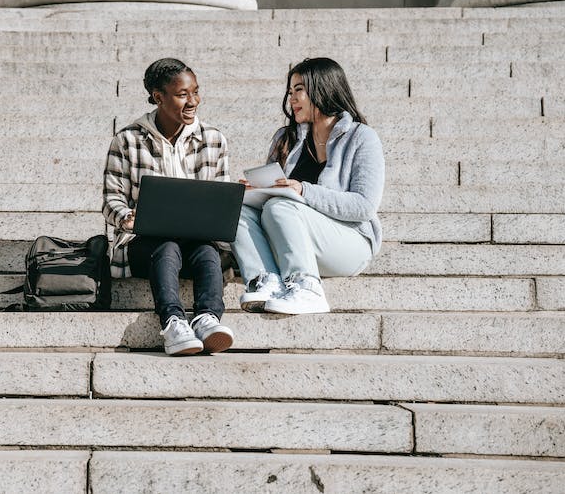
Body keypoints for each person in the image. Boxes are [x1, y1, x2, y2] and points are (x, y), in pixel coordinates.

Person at [103, 58, 235, 356]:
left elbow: (221, 196)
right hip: (144, 247)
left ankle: (207, 318)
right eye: (183, 94)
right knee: (166, 244)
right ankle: (173, 322)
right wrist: (127, 218)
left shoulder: (213, 140)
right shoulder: (127, 140)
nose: (193, 101)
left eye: (196, 92)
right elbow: (111, 200)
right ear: (158, 97)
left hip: (197, 243)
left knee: (207, 250)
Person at [233, 57, 384, 315]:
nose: (291, 99)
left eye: (299, 90)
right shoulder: (285, 138)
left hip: (349, 242)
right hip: (289, 239)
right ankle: (266, 281)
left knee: (282, 206)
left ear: (323, 89)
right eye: (289, 92)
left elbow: (364, 207)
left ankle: (307, 289)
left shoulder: (361, 138)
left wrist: (303, 190)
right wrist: (256, 190)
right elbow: (273, 198)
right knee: (236, 209)